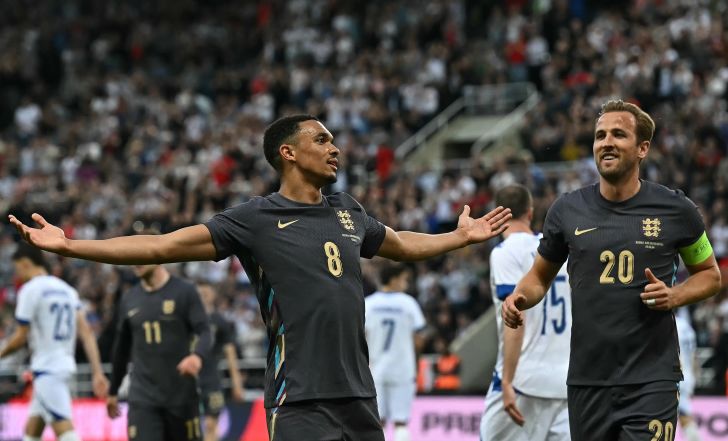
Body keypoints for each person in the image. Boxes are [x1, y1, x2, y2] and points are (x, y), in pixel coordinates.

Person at [9, 114, 511, 441]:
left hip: (359, 393)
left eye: (334, 140)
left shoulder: (348, 211)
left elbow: (401, 245)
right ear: (288, 153)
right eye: (321, 139)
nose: (334, 148)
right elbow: (162, 245)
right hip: (300, 397)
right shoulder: (255, 219)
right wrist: (71, 245)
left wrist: (458, 238)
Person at [502, 100, 722, 441]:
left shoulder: (677, 209)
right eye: (600, 135)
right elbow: (539, 277)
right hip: (587, 382)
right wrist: (519, 297)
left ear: (642, 148)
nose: (606, 142)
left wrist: (675, 294)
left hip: (652, 380)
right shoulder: (567, 210)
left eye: (619, 134)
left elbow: (710, 275)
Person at [480, 184, 571, 441]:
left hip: (524, 379)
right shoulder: (557, 251)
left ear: (497, 215)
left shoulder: (505, 252)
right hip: (564, 381)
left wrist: (507, 381)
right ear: (530, 213)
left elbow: (516, 316)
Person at [0, 243, 109, 441]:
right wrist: (97, 371)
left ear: (25, 264)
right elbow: (87, 334)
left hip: (47, 369)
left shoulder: (30, 290)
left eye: (17, 269)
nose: (17, 275)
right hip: (63, 365)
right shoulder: (67, 290)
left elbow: (20, 337)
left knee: (66, 432)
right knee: (33, 429)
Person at [106, 262, 212, 441]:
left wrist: (197, 356)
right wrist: (113, 391)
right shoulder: (129, 298)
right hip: (143, 398)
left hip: (181, 396)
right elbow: (121, 351)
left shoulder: (185, 291)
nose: (135, 262)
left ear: (157, 255)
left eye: (141, 254)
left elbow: (205, 331)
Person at [364, 263, 425, 441]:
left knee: (378, 422)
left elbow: (361, 337)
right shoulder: (408, 303)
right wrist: (416, 362)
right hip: (403, 369)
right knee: (401, 422)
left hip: (375, 370)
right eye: (404, 279)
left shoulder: (368, 304)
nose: (406, 284)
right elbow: (419, 340)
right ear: (394, 280)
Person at [196, 282, 245, 441]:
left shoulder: (220, 321)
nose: (203, 295)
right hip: (188, 380)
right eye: (200, 292)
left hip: (211, 380)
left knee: (211, 424)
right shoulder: (187, 318)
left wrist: (237, 383)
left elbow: (230, 353)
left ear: (213, 295)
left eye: (206, 292)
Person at [675, 308, 703, 441]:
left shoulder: (670, 324)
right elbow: (694, 355)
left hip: (676, 375)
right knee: (683, 414)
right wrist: (694, 377)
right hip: (688, 375)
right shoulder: (687, 327)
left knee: (684, 415)